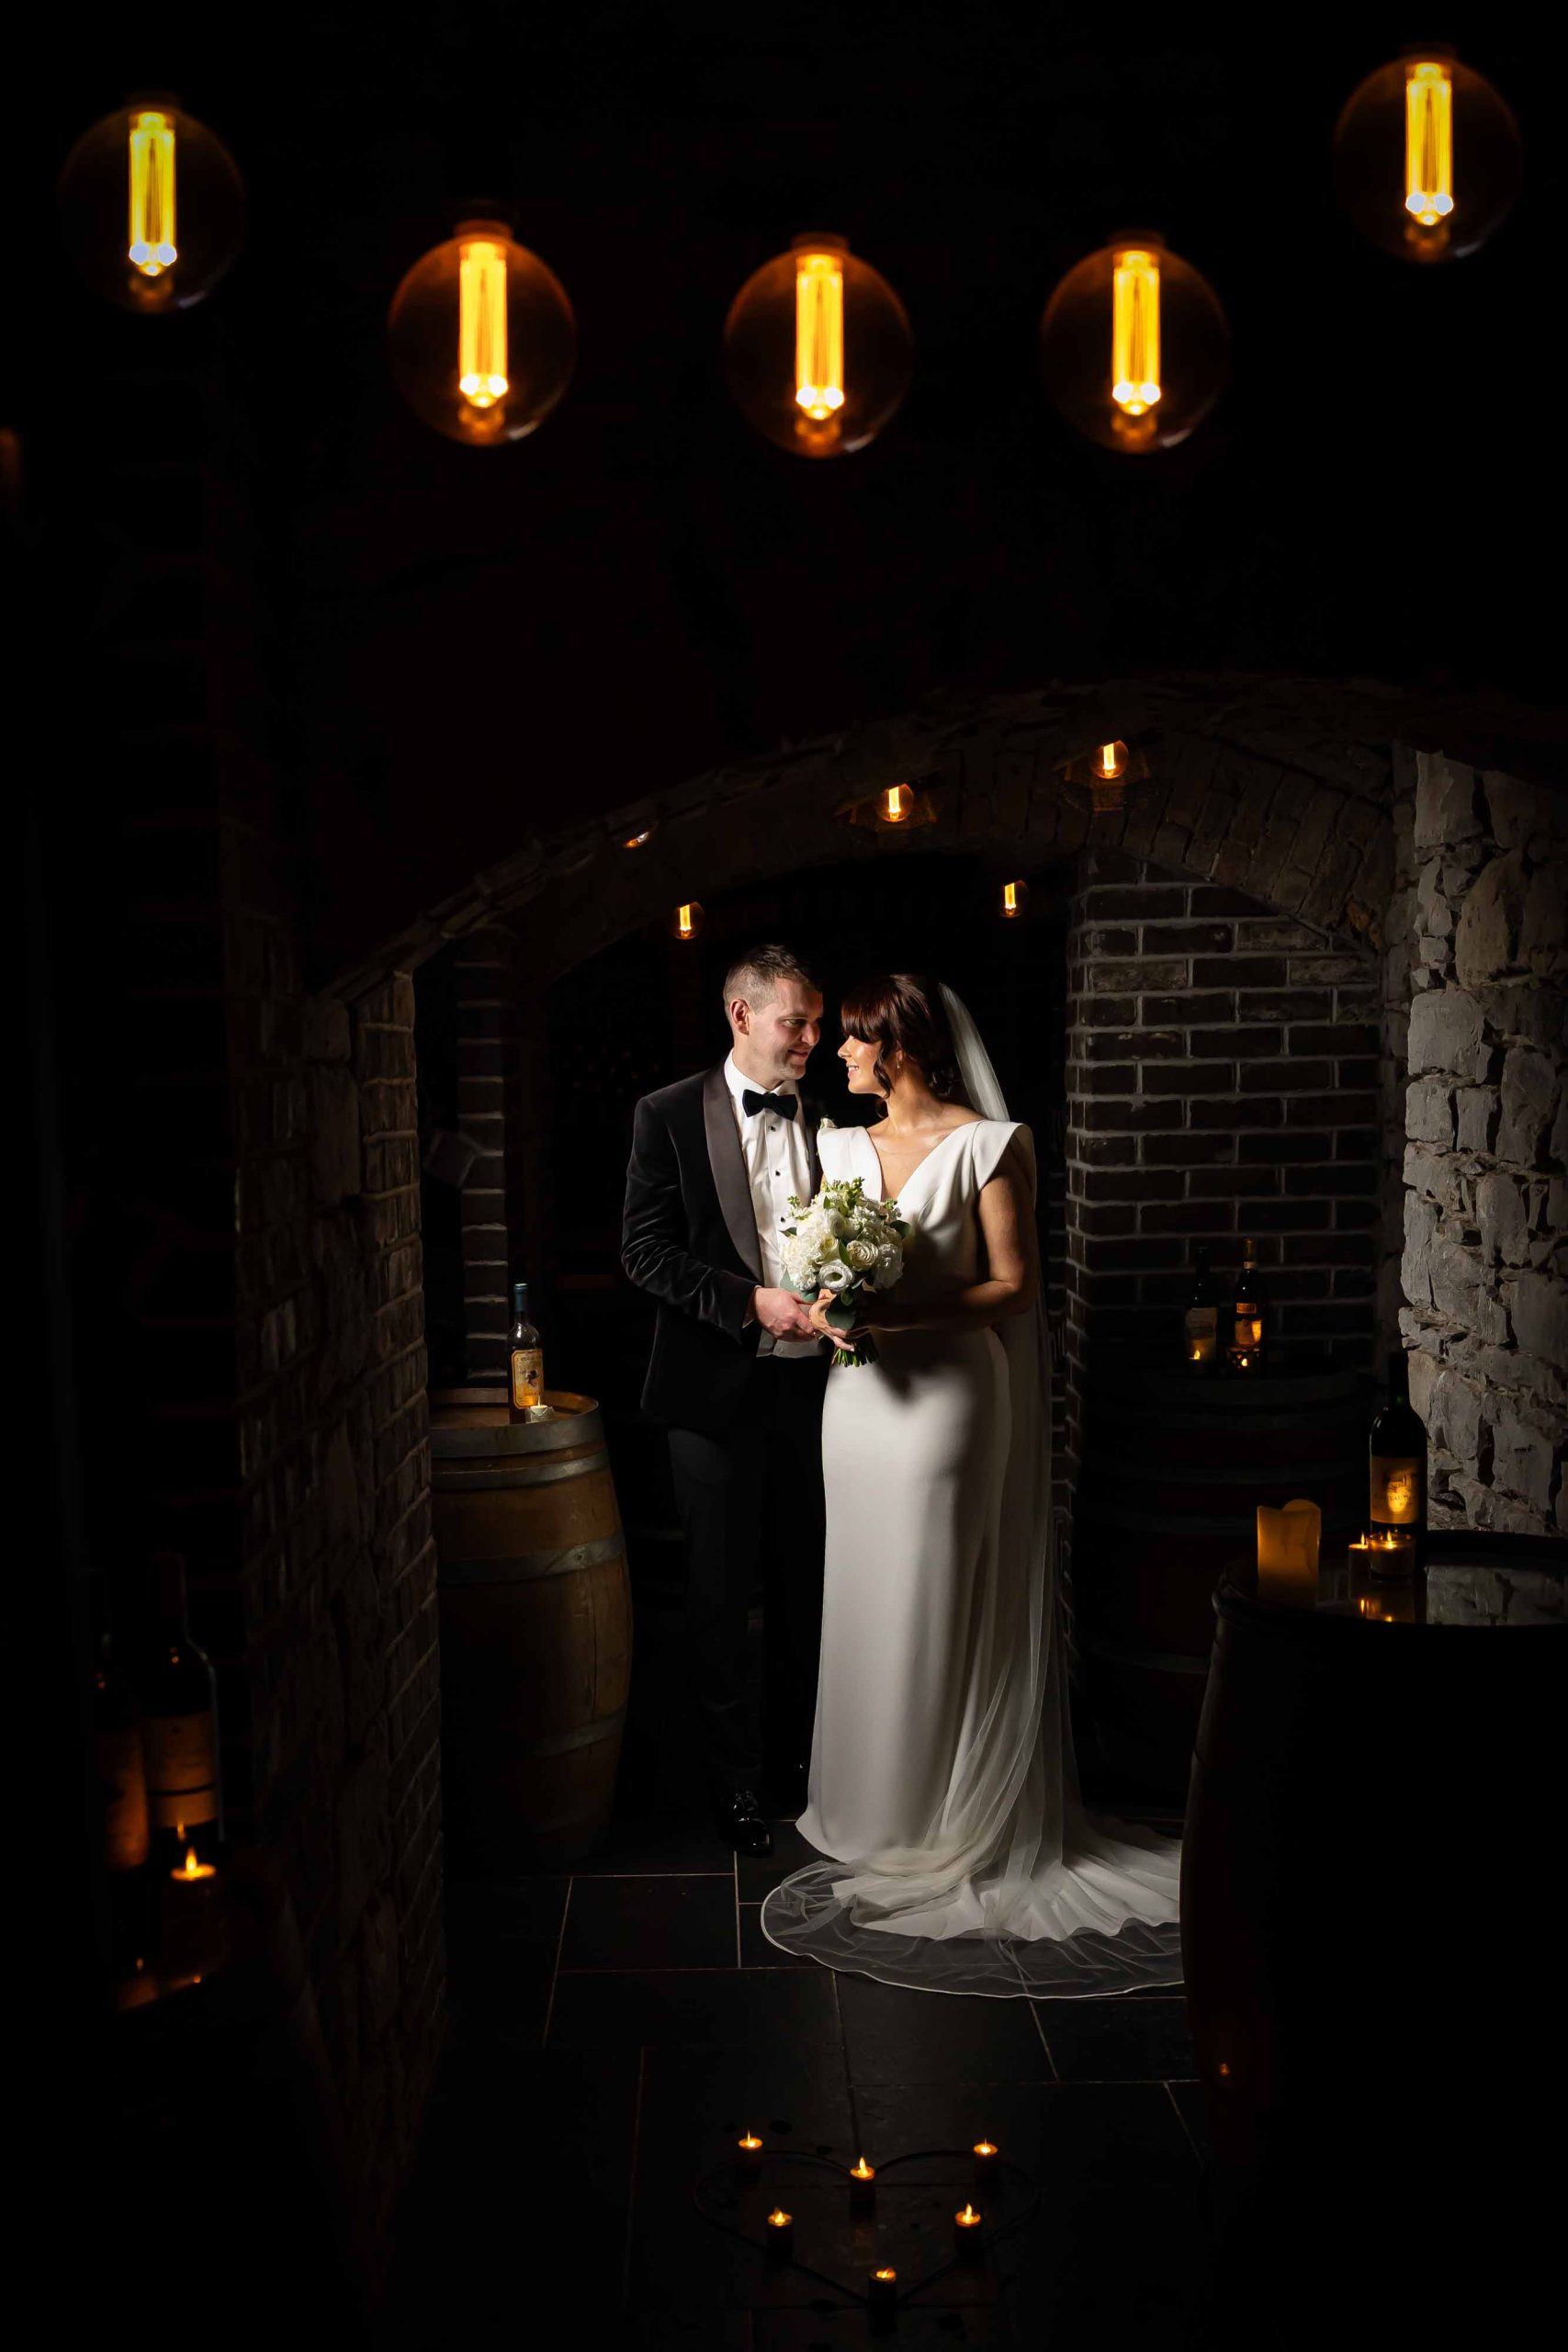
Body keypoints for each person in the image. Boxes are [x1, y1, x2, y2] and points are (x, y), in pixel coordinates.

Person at [761, 973, 1183, 1996]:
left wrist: (897, 1314)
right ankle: (865, 1810)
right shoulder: (836, 1144)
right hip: (857, 1404)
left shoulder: (989, 1145)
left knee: (939, 1590)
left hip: (951, 1402)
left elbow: (1014, 1284)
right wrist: (828, 1303)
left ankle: (945, 1817)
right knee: (864, 1590)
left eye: (853, 1042)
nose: (838, 1056)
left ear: (894, 1044)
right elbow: (809, 1259)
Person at [621, 944, 829, 1858]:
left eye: (817, 1023)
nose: (814, 1040)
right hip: (712, 1393)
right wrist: (750, 1303)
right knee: (719, 1596)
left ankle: (800, 1774)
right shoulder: (665, 1114)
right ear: (741, 1016)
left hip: (823, 1389)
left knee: (808, 1585)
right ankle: (733, 1785)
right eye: (798, 1023)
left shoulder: (837, 1113)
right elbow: (645, 1252)